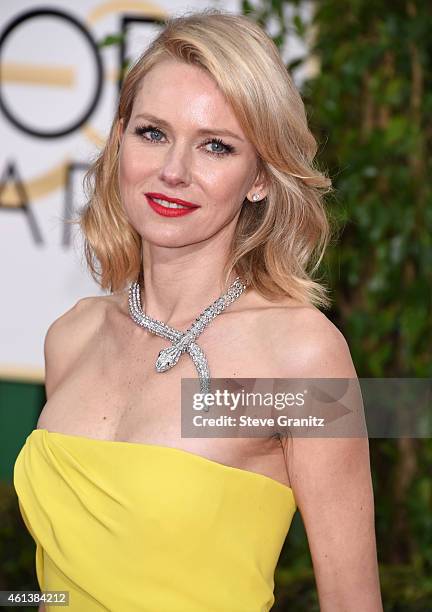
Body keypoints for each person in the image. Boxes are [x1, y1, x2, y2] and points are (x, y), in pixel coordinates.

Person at [13, 8, 383, 612]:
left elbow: (351, 602)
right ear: (120, 140)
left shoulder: (300, 355)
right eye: (153, 133)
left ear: (260, 178)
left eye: (216, 146)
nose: (173, 171)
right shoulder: (74, 335)